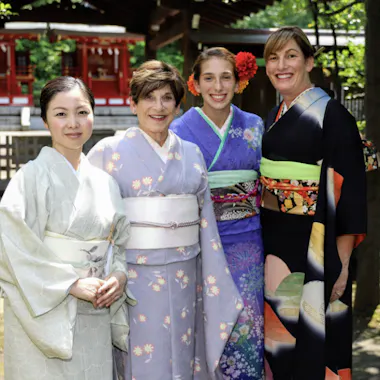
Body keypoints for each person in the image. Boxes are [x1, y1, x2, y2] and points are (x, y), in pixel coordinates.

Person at [87, 60, 243, 380]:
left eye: (167, 98)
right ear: (132, 104)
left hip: (186, 273)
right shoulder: (107, 152)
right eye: (149, 97)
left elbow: (206, 228)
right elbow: (91, 224)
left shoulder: (191, 153)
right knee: (140, 359)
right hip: (131, 279)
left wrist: (211, 279)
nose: (159, 107)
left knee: (184, 354)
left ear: (177, 104)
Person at [0, 76, 132, 380]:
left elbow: (119, 244)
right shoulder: (30, 178)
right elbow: (11, 245)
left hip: (96, 304)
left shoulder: (105, 182)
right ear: (46, 121)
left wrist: (119, 276)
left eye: (82, 112)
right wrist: (69, 283)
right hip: (47, 310)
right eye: (61, 114)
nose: (73, 122)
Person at [260, 26, 367, 379]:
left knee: (315, 343)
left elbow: (348, 193)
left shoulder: (334, 116)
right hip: (276, 245)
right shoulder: (275, 115)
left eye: (291, 56)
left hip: (317, 247)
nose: (281, 65)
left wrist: (343, 261)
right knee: (280, 343)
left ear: (308, 61)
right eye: (273, 58)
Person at [171, 47, 264, 379]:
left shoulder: (253, 126)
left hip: (249, 243)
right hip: (201, 243)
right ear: (195, 83)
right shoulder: (180, 130)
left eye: (226, 77)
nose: (218, 86)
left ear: (238, 82)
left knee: (247, 324)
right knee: (204, 324)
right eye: (208, 78)